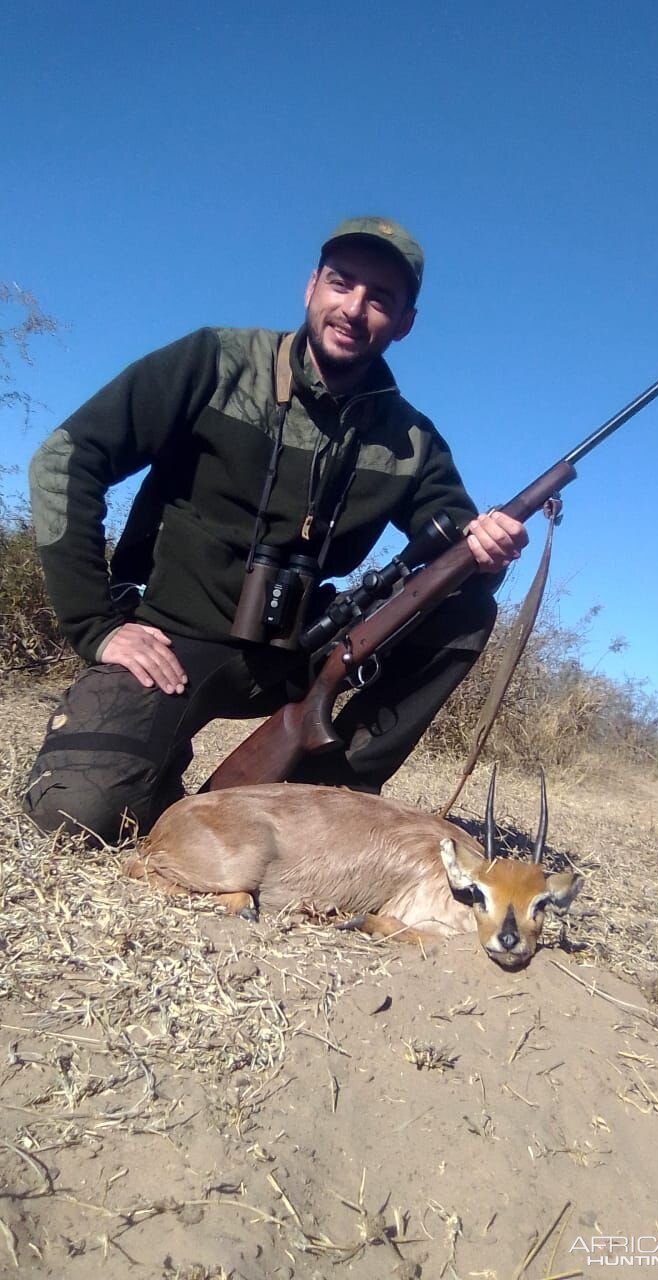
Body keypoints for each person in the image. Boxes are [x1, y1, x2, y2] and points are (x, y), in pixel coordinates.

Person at [24, 216, 528, 843]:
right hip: (169, 640)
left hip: (304, 650)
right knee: (77, 818)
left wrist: (489, 547)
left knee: (465, 600)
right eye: (343, 284)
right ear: (312, 285)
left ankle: (332, 789)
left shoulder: (411, 439)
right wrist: (97, 625)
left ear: (405, 323)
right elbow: (65, 459)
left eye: (381, 299)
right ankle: (154, 761)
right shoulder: (213, 360)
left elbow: (455, 532)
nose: (355, 308)